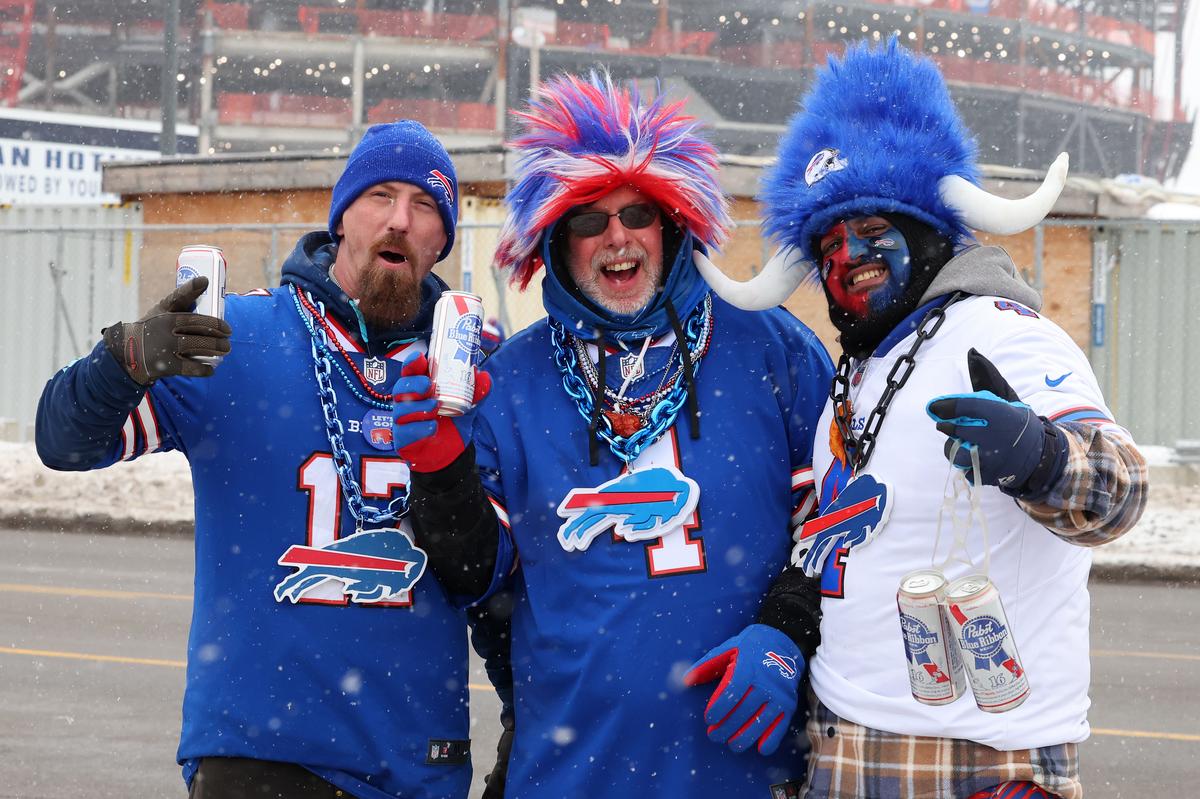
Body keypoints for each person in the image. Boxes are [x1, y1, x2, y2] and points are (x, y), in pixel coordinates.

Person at [696, 39, 1149, 799]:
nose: (849, 255)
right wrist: (783, 624)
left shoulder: (1005, 330)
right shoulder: (860, 372)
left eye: (873, 227)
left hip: (979, 760)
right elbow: (836, 539)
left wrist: (1039, 456)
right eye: (828, 242)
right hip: (842, 749)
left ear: (931, 227)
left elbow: (1122, 492)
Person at [390, 71, 834, 798]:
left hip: (744, 773)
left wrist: (789, 630)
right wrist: (442, 466)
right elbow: (476, 576)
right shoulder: (513, 380)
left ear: (674, 224)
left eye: (638, 213)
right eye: (590, 220)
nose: (617, 236)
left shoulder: (771, 349)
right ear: (558, 244)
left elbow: (843, 522)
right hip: (569, 773)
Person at [35, 120, 498, 799]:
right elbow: (63, 441)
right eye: (381, 196)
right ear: (342, 218)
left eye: (425, 205)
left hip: (415, 762)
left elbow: (491, 571)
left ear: (442, 240)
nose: (400, 219)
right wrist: (124, 360)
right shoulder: (236, 338)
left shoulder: (473, 364)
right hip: (261, 755)